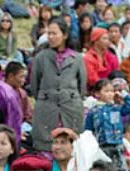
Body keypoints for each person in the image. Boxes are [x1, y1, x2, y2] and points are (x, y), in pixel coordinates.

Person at [28, 20, 86, 153]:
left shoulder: (76, 58)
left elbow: (82, 85)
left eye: (54, 33)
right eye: (49, 34)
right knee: (45, 146)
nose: (51, 37)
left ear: (64, 35)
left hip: (71, 107)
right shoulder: (40, 57)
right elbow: (34, 84)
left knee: (71, 145)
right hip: (47, 108)